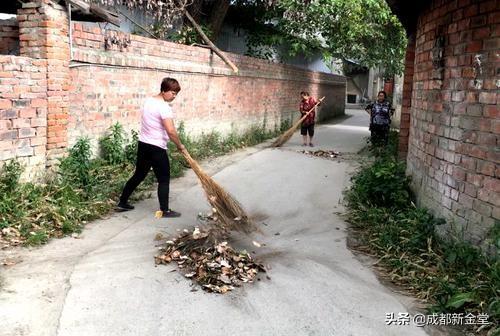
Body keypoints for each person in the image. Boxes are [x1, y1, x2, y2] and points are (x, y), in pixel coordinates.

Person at [116, 77, 185, 218]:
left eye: (176, 94)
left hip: (144, 145)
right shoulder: (164, 107)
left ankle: (122, 202)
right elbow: (171, 131)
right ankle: (164, 210)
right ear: (164, 90)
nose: (174, 96)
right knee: (164, 178)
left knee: (139, 174)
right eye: (173, 93)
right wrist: (180, 145)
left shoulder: (148, 101)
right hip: (156, 148)